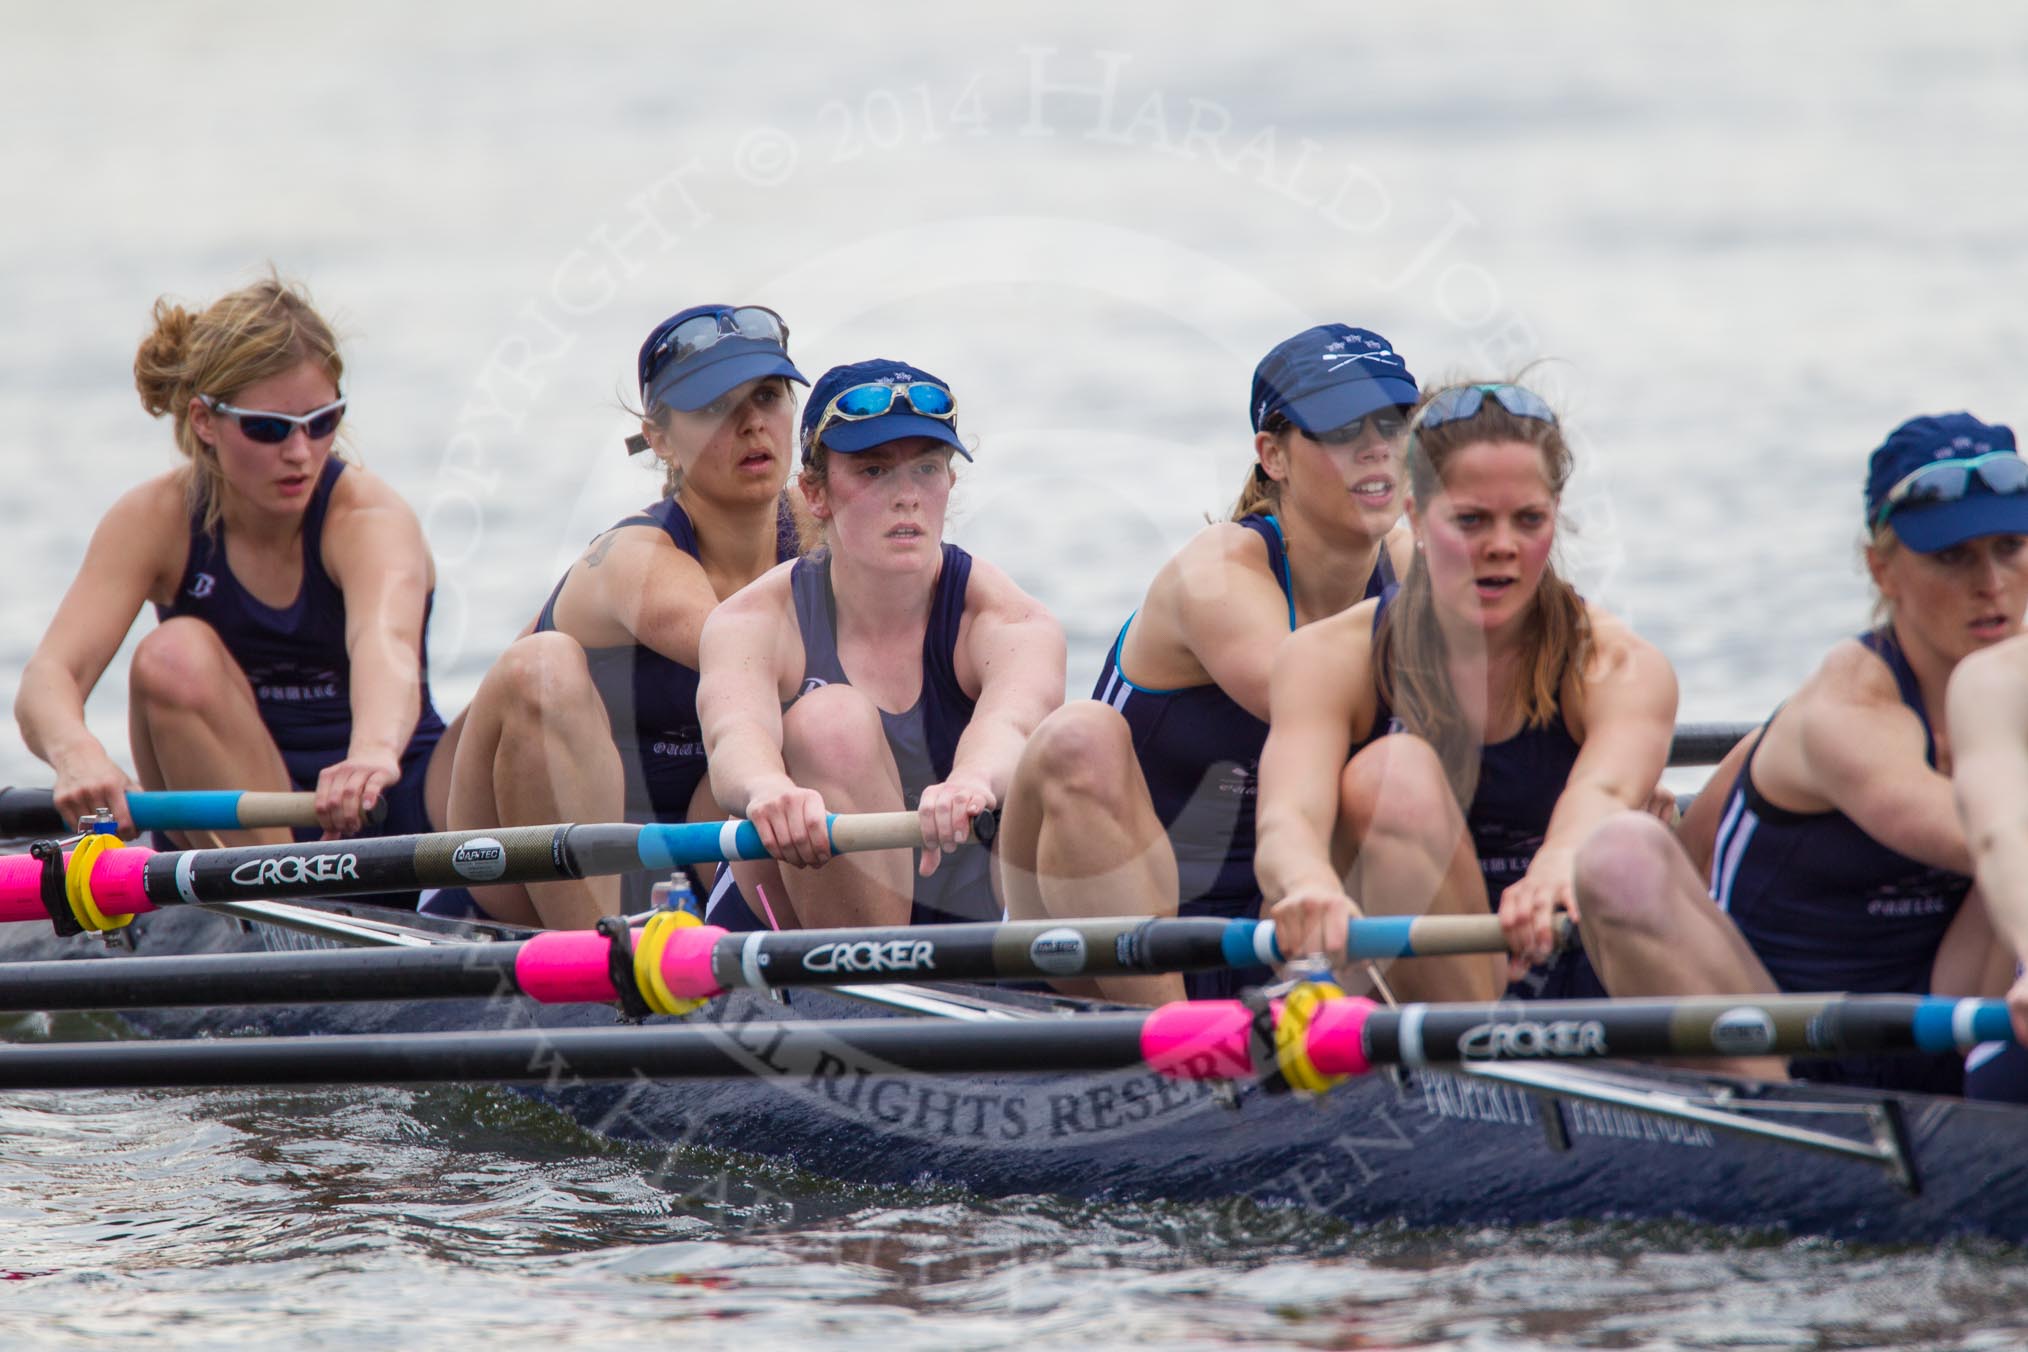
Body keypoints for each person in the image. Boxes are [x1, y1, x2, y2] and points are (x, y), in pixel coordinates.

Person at [1574, 412, 2025, 1091]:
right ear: (1882, 569)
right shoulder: (1846, 711)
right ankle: (1765, 1128)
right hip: (1777, 1044)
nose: (1990, 582)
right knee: (1620, 854)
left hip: (1951, 1020)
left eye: (2009, 547)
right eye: (1952, 556)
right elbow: (1988, 835)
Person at [998, 325, 1420, 1004]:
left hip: (1283, 920)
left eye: (1393, 423)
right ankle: (1180, 1042)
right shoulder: (1220, 571)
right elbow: (1310, 695)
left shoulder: (1413, 566)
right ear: (1273, 456)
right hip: (1094, 932)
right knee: (1080, 735)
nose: (1376, 447)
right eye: (1343, 428)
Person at [1257, 381, 1679, 1006]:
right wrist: (1307, 883)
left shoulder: (1617, 664)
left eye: (1528, 520)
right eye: (1471, 520)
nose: (1502, 546)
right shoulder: (1328, 658)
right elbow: (1287, 818)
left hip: (1566, 955)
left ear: (1555, 515)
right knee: (1390, 774)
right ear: (1414, 515)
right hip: (1402, 979)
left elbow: (1607, 791)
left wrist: (1557, 863)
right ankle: (1481, 1046)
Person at [15, 273, 452, 851]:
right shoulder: (155, 520)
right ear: (204, 420)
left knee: (535, 673)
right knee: (171, 655)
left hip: (385, 809)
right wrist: (78, 755)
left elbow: (386, 644)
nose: (300, 453)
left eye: (322, 423)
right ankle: (271, 894)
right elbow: (49, 675)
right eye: (269, 429)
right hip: (236, 820)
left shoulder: (368, 519)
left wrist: (370, 754)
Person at [445, 304, 807, 929]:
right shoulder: (632, 558)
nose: (752, 423)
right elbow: (742, 654)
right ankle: (591, 958)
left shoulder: (820, 526)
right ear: (660, 438)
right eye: (716, 405)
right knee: (543, 664)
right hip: (531, 868)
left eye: (768, 396)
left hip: (701, 841)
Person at [697, 358, 1065, 931]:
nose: (908, 496)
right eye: (874, 471)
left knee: (1081, 739)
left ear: (950, 483)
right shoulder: (751, 621)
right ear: (815, 493)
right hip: (790, 929)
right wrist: (769, 789)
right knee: (830, 723)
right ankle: (856, 980)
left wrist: (970, 780)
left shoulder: (1012, 622)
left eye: (927, 468)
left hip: (956, 920)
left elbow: (1013, 727)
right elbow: (733, 738)